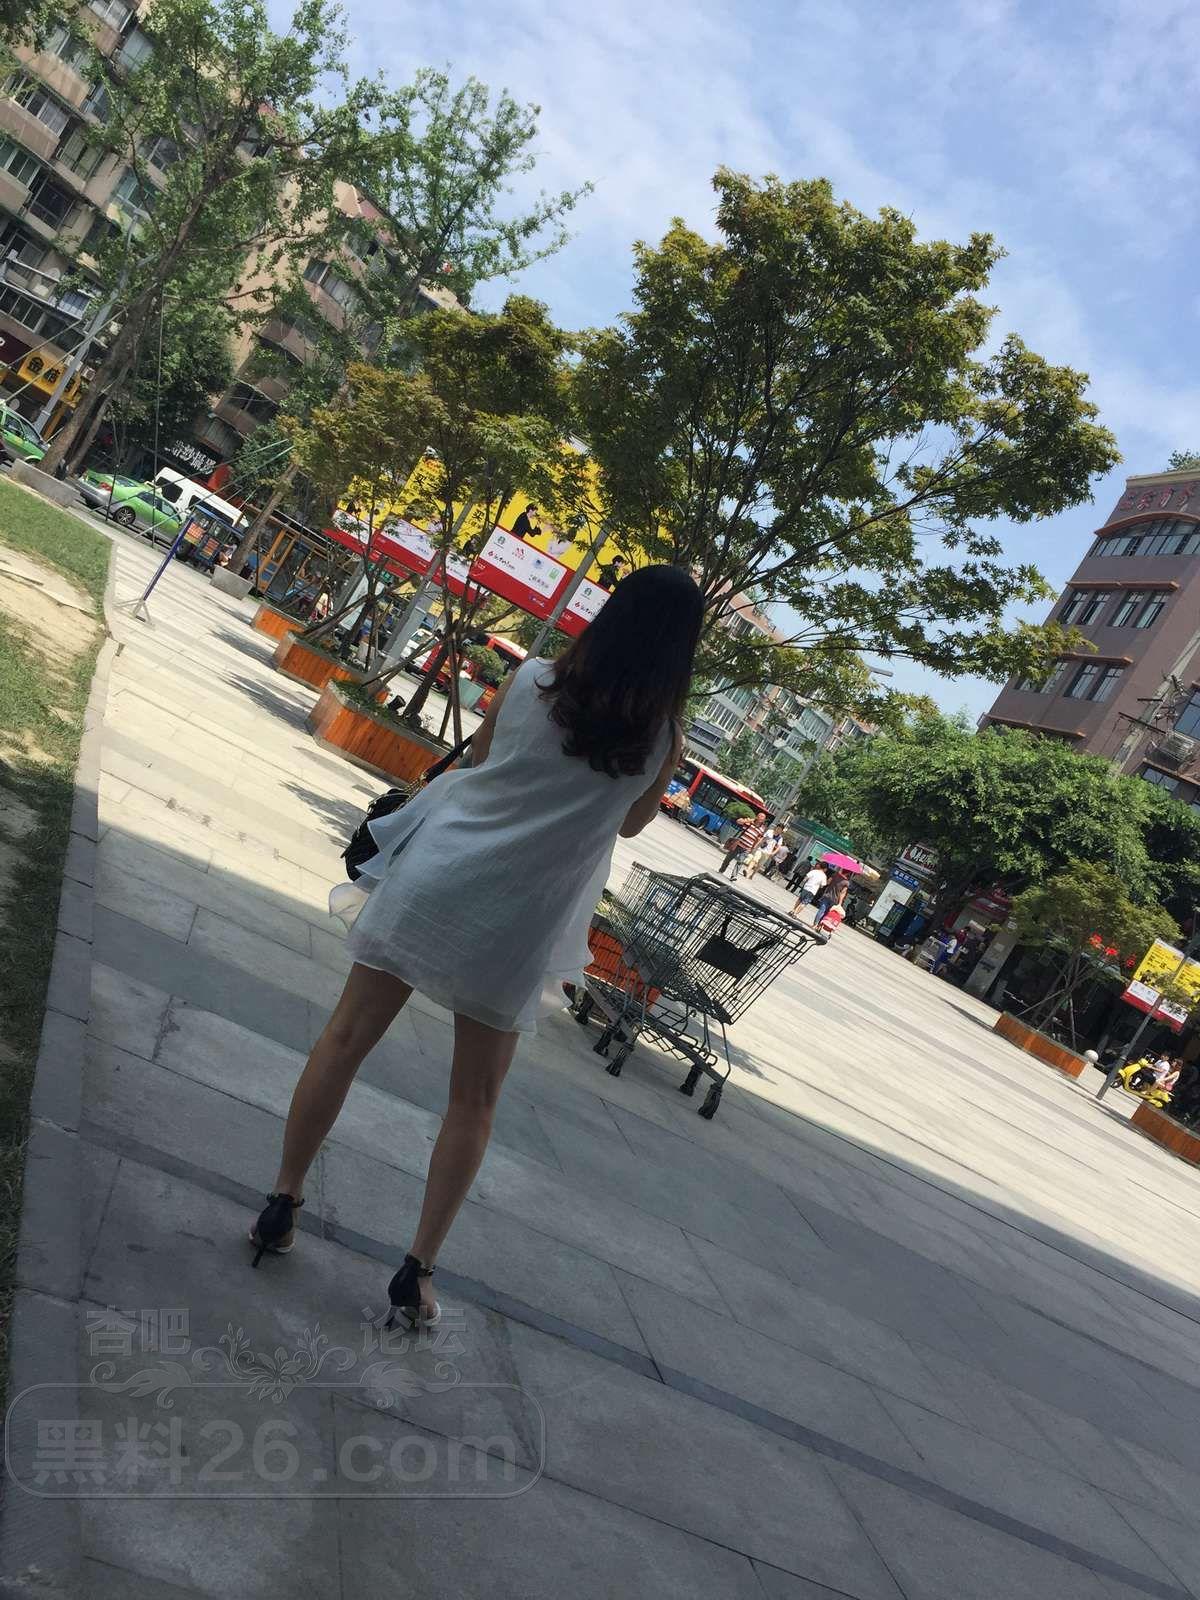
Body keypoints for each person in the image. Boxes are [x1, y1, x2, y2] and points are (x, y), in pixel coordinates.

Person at [249, 566, 704, 1327]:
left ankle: (280, 1202)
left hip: (436, 878)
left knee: (345, 1040)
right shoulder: (659, 741)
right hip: (517, 926)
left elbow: (483, 764)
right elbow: (628, 825)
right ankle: (416, 1271)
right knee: (474, 1100)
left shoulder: (531, 681)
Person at [718, 810, 767, 879]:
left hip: (747, 848)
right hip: (738, 844)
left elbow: (757, 839)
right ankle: (722, 870)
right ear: (757, 816)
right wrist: (749, 820)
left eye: (762, 817)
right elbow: (738, 821)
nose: (761, 818)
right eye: (760, 816)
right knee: (728, 858)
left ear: (763, 820)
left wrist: (752, 848)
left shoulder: (762, 829)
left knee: (740, 862)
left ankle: (733, 876)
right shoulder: (749, 823)